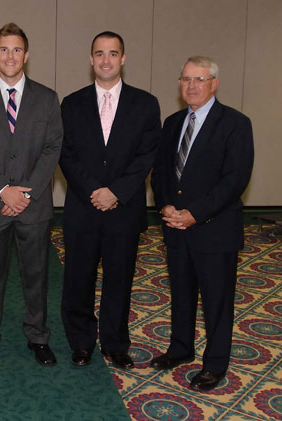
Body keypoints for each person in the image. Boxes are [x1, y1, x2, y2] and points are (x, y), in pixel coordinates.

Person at [0, 23, 63, 369]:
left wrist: (25, 193)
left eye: (17, 49)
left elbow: (52, 149)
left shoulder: (47, 98)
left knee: (36, 276)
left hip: (34, 207)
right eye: (4, 50)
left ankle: (38, 336)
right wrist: (4, 191)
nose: (10, 56)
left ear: (27, 55)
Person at [150, 56, 254, 391]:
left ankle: (215, 364)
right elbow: (162, 171)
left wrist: (194, 214)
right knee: (180, 293)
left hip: (214, 229)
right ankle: (180, 349)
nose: (191, 86)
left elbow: (234, 180)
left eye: (199, 79)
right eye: (185, 79)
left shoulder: (236, 123)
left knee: (216, 301)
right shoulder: (173, 121)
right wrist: (165, 205)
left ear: (214, 83)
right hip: (175, 228)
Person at [59, 32, 161, 369]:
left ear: (123, 58)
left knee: (120, 278)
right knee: (79, 278)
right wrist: (95, 190)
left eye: (113, 53)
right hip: (83, 207)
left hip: (124, 208)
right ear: (90, 59)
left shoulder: (146, 104)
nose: (106, 60)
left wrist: (115, 191)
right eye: (99, 54)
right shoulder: (71, 104)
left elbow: (147, 154)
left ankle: (116, 343)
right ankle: (81, 342)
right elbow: (67, 154)